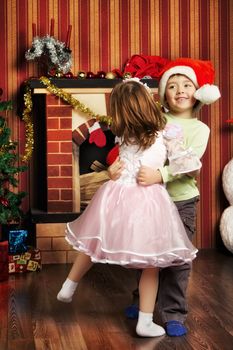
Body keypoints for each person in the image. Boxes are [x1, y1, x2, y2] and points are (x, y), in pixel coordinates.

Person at [57, 78, 198, 338]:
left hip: (117, 197)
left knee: (94, 242)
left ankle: (69, 284)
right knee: (151, 264)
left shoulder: (128, 132)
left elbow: (181, 165)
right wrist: (148, 172)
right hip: (146, 202)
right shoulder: (164, 131)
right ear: (148, 104)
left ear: (120, 111)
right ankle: (144, 321)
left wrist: (153, 174)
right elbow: (188, 164)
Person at [108, 58, 221, 337]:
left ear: (198, 92)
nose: (180, 90)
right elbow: (132, 144)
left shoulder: (200, 130)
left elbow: (190, 165)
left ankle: (173, 312)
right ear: (163, 95)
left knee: (177, 259)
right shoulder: (155, 119)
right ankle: (142, 301)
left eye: (186, 84)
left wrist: (161, 175)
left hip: (180, 201)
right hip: (147, 200)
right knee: (146, 253)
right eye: (172, 85)